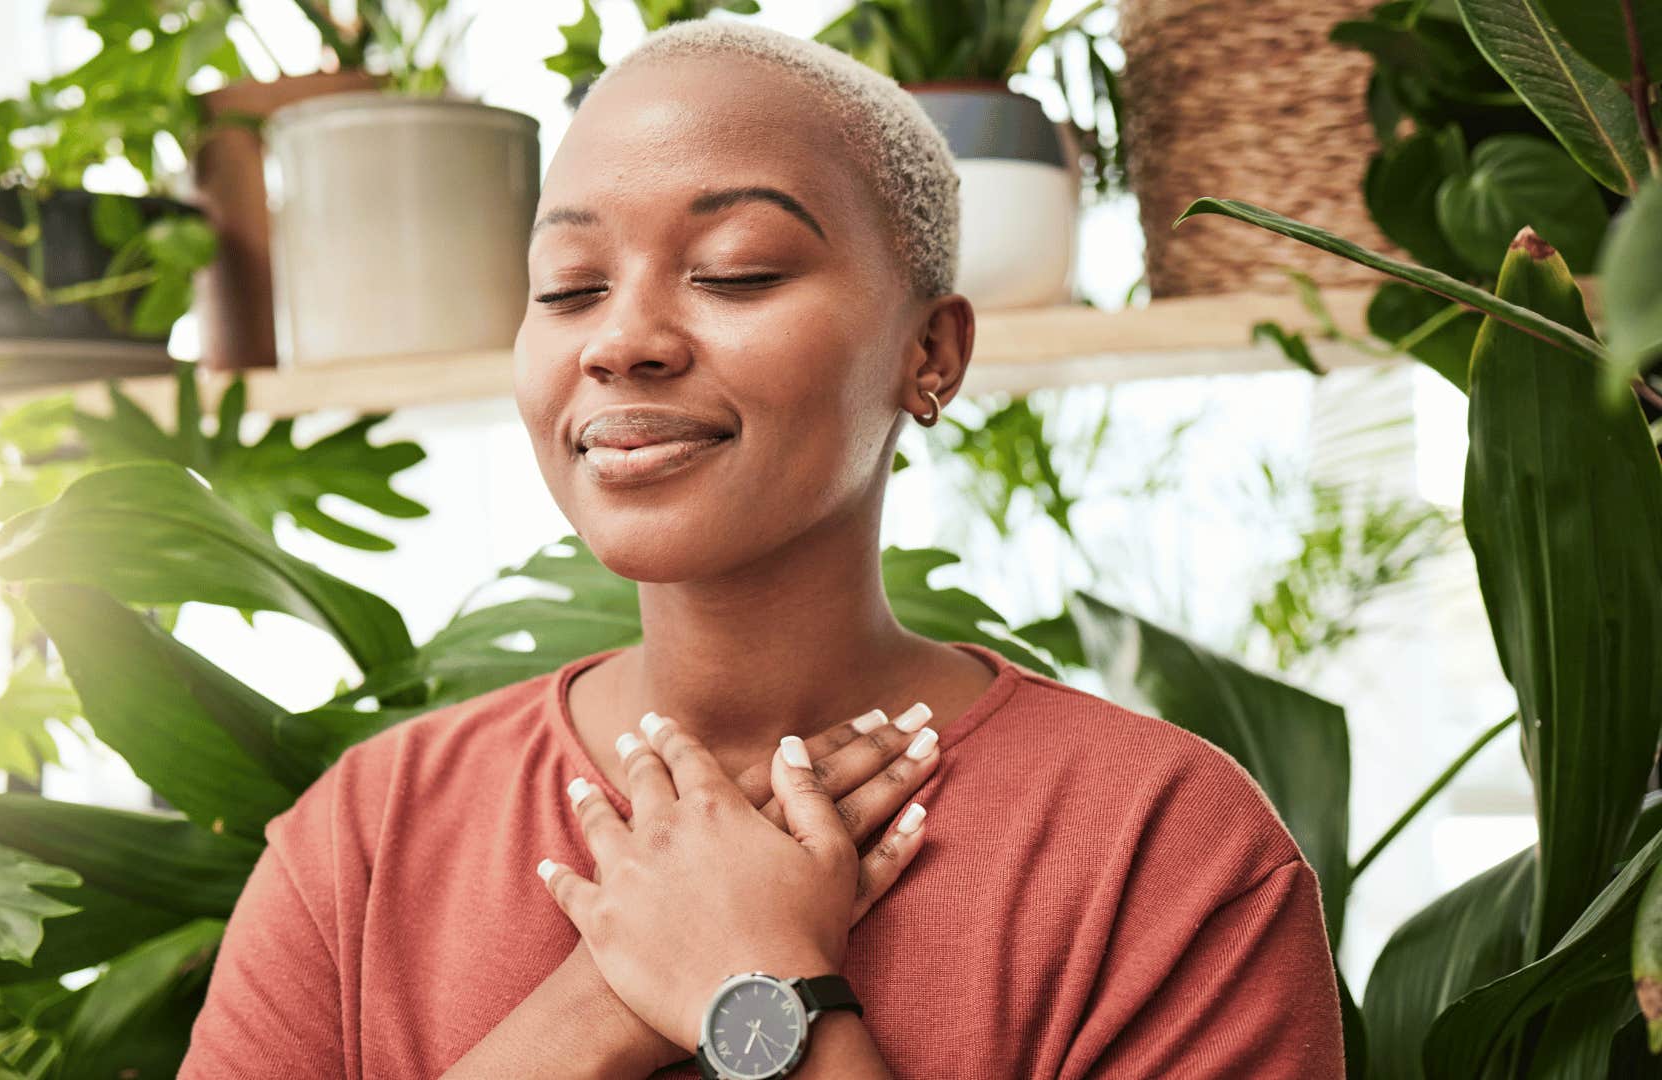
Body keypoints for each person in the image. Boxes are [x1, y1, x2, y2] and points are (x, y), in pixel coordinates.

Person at [179, 19, 1346, 1080]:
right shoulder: (369, 837)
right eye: (569, 287)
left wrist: (772, 995)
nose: (623, 340)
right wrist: (601, 1002)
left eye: (736, 269)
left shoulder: (1161, 850)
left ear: (929, 353)